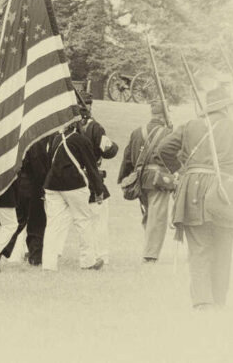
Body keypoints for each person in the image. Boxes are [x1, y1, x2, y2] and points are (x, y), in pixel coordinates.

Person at [157, 87, 233, 309]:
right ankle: (219, 301)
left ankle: (203, 302)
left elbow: (164, 148)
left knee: (199, 248)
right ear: (225, 107)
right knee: (224, 249)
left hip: (193, 192)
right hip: (226, 193)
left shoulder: (190, 126)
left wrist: (182, 171)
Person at [42, 123, 106, 271]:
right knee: (83, 222)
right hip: (74, 184)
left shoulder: (56, 138)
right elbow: (91, 167)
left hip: (52, 185)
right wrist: (98, 190)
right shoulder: (81, 140)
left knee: (53, 225)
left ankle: (48, 264)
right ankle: (88, 262)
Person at [117, 100, 175, 263]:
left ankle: (149, 249)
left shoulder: (137, 132)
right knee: (156, 218)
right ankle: (150, 255)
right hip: (158, 180)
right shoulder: (168, 133)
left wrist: (125, 178)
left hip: (140, 180)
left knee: (149, 216)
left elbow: (128, 157)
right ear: (164, 115)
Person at [78, 91, 119, 264]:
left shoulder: (67, 125)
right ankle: (101, 254)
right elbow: (108, 150)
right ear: (90, 105)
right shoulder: (94, 127)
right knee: (99, 219)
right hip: (92, 177)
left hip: (72, 178)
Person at [0, 135, 51, 265]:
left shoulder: (18, 137)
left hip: (19, 182)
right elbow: (39, 167)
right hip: (33, 185)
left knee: (17, 221)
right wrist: (44, 186)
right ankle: (35, 257)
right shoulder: (35, 140)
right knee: (36, 222)